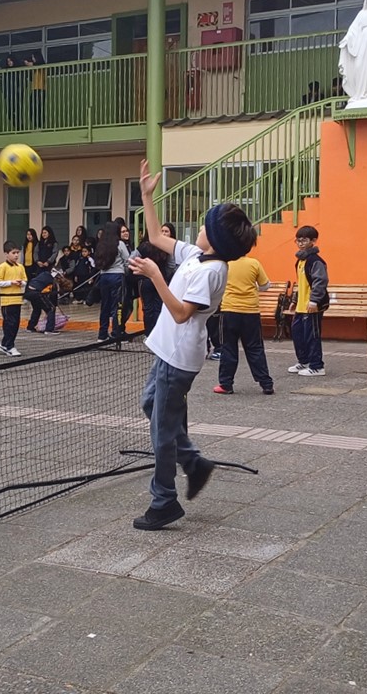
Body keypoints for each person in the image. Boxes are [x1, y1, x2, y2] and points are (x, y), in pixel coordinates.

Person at [127, 160, 256, 530]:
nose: (198, 229)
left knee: (162, 430)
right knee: (151, 405)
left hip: (179, 356)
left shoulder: (212, 270)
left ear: (214, 239)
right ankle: (194, 462)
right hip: (167, 349)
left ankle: (163, 501)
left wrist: (155, 276)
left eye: (204, 226)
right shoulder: (198, 255)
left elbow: (182, 313)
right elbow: (156, 236)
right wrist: (147, 196)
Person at [213, 250, 275, 396]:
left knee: (228, 347)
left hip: (229, 310)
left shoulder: (225, 264)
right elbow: (265, 285)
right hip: (251, 311)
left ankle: (226, 384)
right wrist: (253, 287)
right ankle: (266, 383)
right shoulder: (254, 263)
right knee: (255, 348)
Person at [288, 225, 329, 377]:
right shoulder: (300, 261)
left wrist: (314, 301)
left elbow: (320, 281)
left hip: (312, 306)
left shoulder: (315, 261)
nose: (300, 243)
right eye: (298, 240)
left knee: (312, 336)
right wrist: (294, 300)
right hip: (301, 306)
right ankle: (304, 361)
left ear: (313, 241)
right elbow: (301, 283)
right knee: (298, 333)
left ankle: (317, 366)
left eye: (304, 240)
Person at [93, 220, 129, 340]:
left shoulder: (100, 245)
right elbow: (127, 260)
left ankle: (102, 334)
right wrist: (125, 272)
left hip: (104, 277)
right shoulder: (120, 244)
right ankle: (116, 333)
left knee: (105, 306)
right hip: (117, 276)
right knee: (117, 306)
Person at [137, 224, 176, 334]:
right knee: (158, 307)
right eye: (162, 231)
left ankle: (148, 333)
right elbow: (171, 266)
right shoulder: (167, 247)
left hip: (145, 279)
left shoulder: (143, 246)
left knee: (147, 308)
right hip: (160, 280)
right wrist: (165, 276)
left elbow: (132, 259)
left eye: (166, 231)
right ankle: (157, 334)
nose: (164, 233)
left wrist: (140, 270)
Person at [0, 242, 27, 356]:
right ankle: (9, 346)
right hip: (7, 301)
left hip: (17, 300)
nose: (16, 255)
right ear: (6, 254)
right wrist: (10, 282)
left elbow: (25, 281)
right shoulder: (2, 266)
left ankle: (4, 344)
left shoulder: (20, 267)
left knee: (16, 324)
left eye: (17, 253)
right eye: (13, 253)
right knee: (9, 324)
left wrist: (21, 283)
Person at [24, 263, 59, 334]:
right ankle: (49, 329)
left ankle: (30, 327)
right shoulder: (52, 280)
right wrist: (54, 305)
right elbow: (53, 294)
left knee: (37, 309)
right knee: (51, 308)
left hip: (28, 291)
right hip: (37, 293)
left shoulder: (43, 274)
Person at [0, 54, 26, 130]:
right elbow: (3, 83)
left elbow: (23, 82)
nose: (10, 62)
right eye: (8, 61)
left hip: (17, 94)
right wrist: (5, 93)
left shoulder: (18, 71)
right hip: (9, 95)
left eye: (11, 60)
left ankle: (20, 127)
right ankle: (18, 126)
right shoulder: (6, 72)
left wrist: (19, 90)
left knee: (17, 112)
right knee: (9, 113)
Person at [25, 51, 47, 128]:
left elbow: (37, 64)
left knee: (39, 108)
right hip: (34, 89)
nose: (33, 59)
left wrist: (28, 63)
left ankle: (39, 125)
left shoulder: (41, 65)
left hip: (41, 89)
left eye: (33, 57)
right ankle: (35, 124)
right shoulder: (35, 69)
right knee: (32, 108)